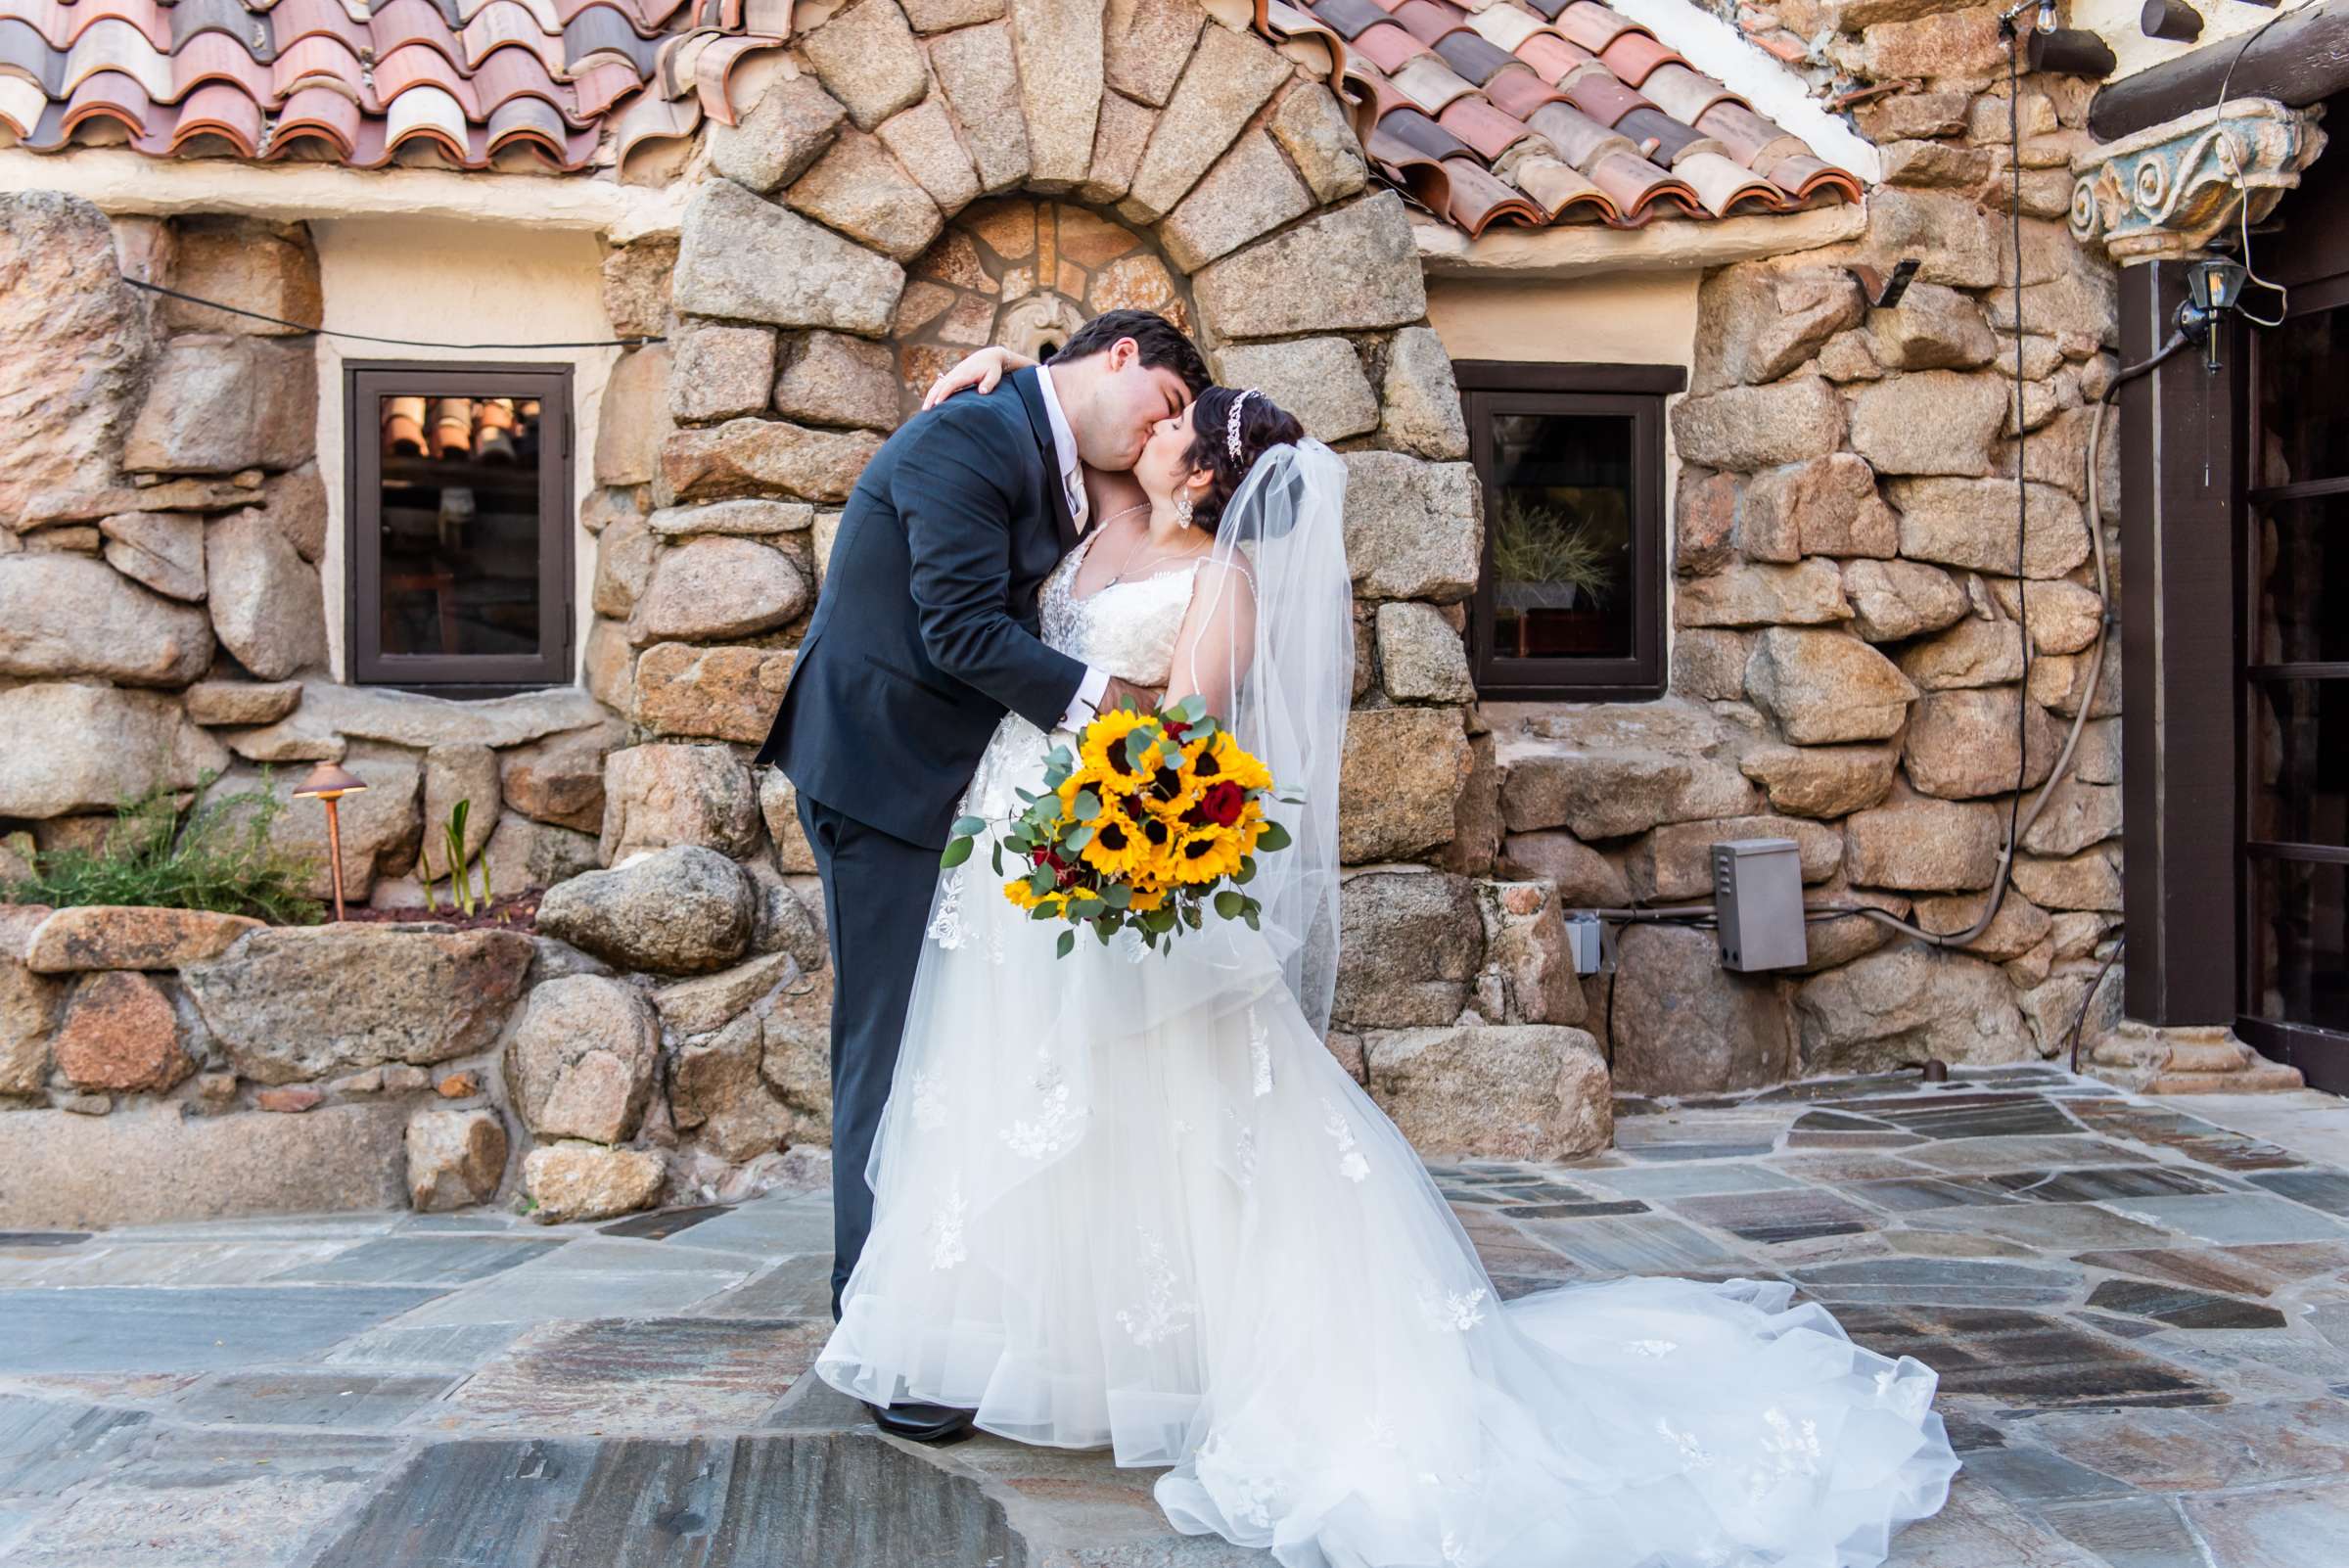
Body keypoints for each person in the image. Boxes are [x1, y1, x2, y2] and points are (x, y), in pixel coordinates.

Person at [810, 347, 1962, 1568]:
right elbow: (1053, 424)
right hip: (1009, 854)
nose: (1146, 427)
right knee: (1024, 1091)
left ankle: (1216, 1351)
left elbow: (1179, 741)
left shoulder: (1222, 585)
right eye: (1160, 399)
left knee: (1162, 1100)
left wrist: (1116, 836)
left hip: (1094, 845)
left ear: (1201, 471)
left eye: (1172, 424)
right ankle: (1030, 1341)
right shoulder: (1101, 510)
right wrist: (1006, 362)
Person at [753, 309, 1212, 1443]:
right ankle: (882, 1331)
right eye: (1162, 404)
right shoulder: (968, 442)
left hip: (947, 785)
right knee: (886, 1042)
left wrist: (1012, 353)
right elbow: (957, 631)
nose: (1161, 432)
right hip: (879, 774)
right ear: (1120, 359)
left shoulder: (1030, 424)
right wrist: (1120, 712)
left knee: (931, 1042)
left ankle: (934, 1303)